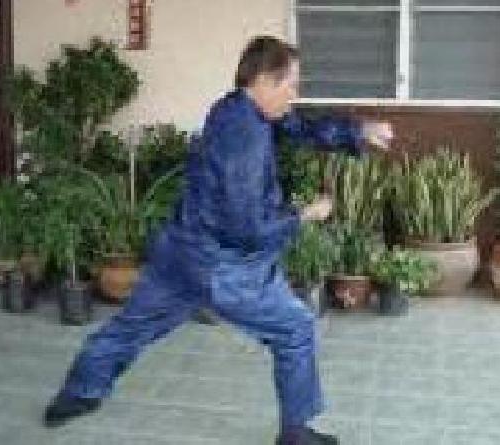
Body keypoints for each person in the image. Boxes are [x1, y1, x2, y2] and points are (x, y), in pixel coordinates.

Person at [43, 36, 393, 445]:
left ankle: (77, 395)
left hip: (181, 254)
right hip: (224, 268)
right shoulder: (244, 140)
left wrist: (356, 130)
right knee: (295, 328)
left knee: (130, 327)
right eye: (291, 85)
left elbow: (298, 125)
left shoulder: (234, 107)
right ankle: (296, 435)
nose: (294, 95)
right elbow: (246, 229)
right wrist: (305, 214)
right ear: (264, 80)